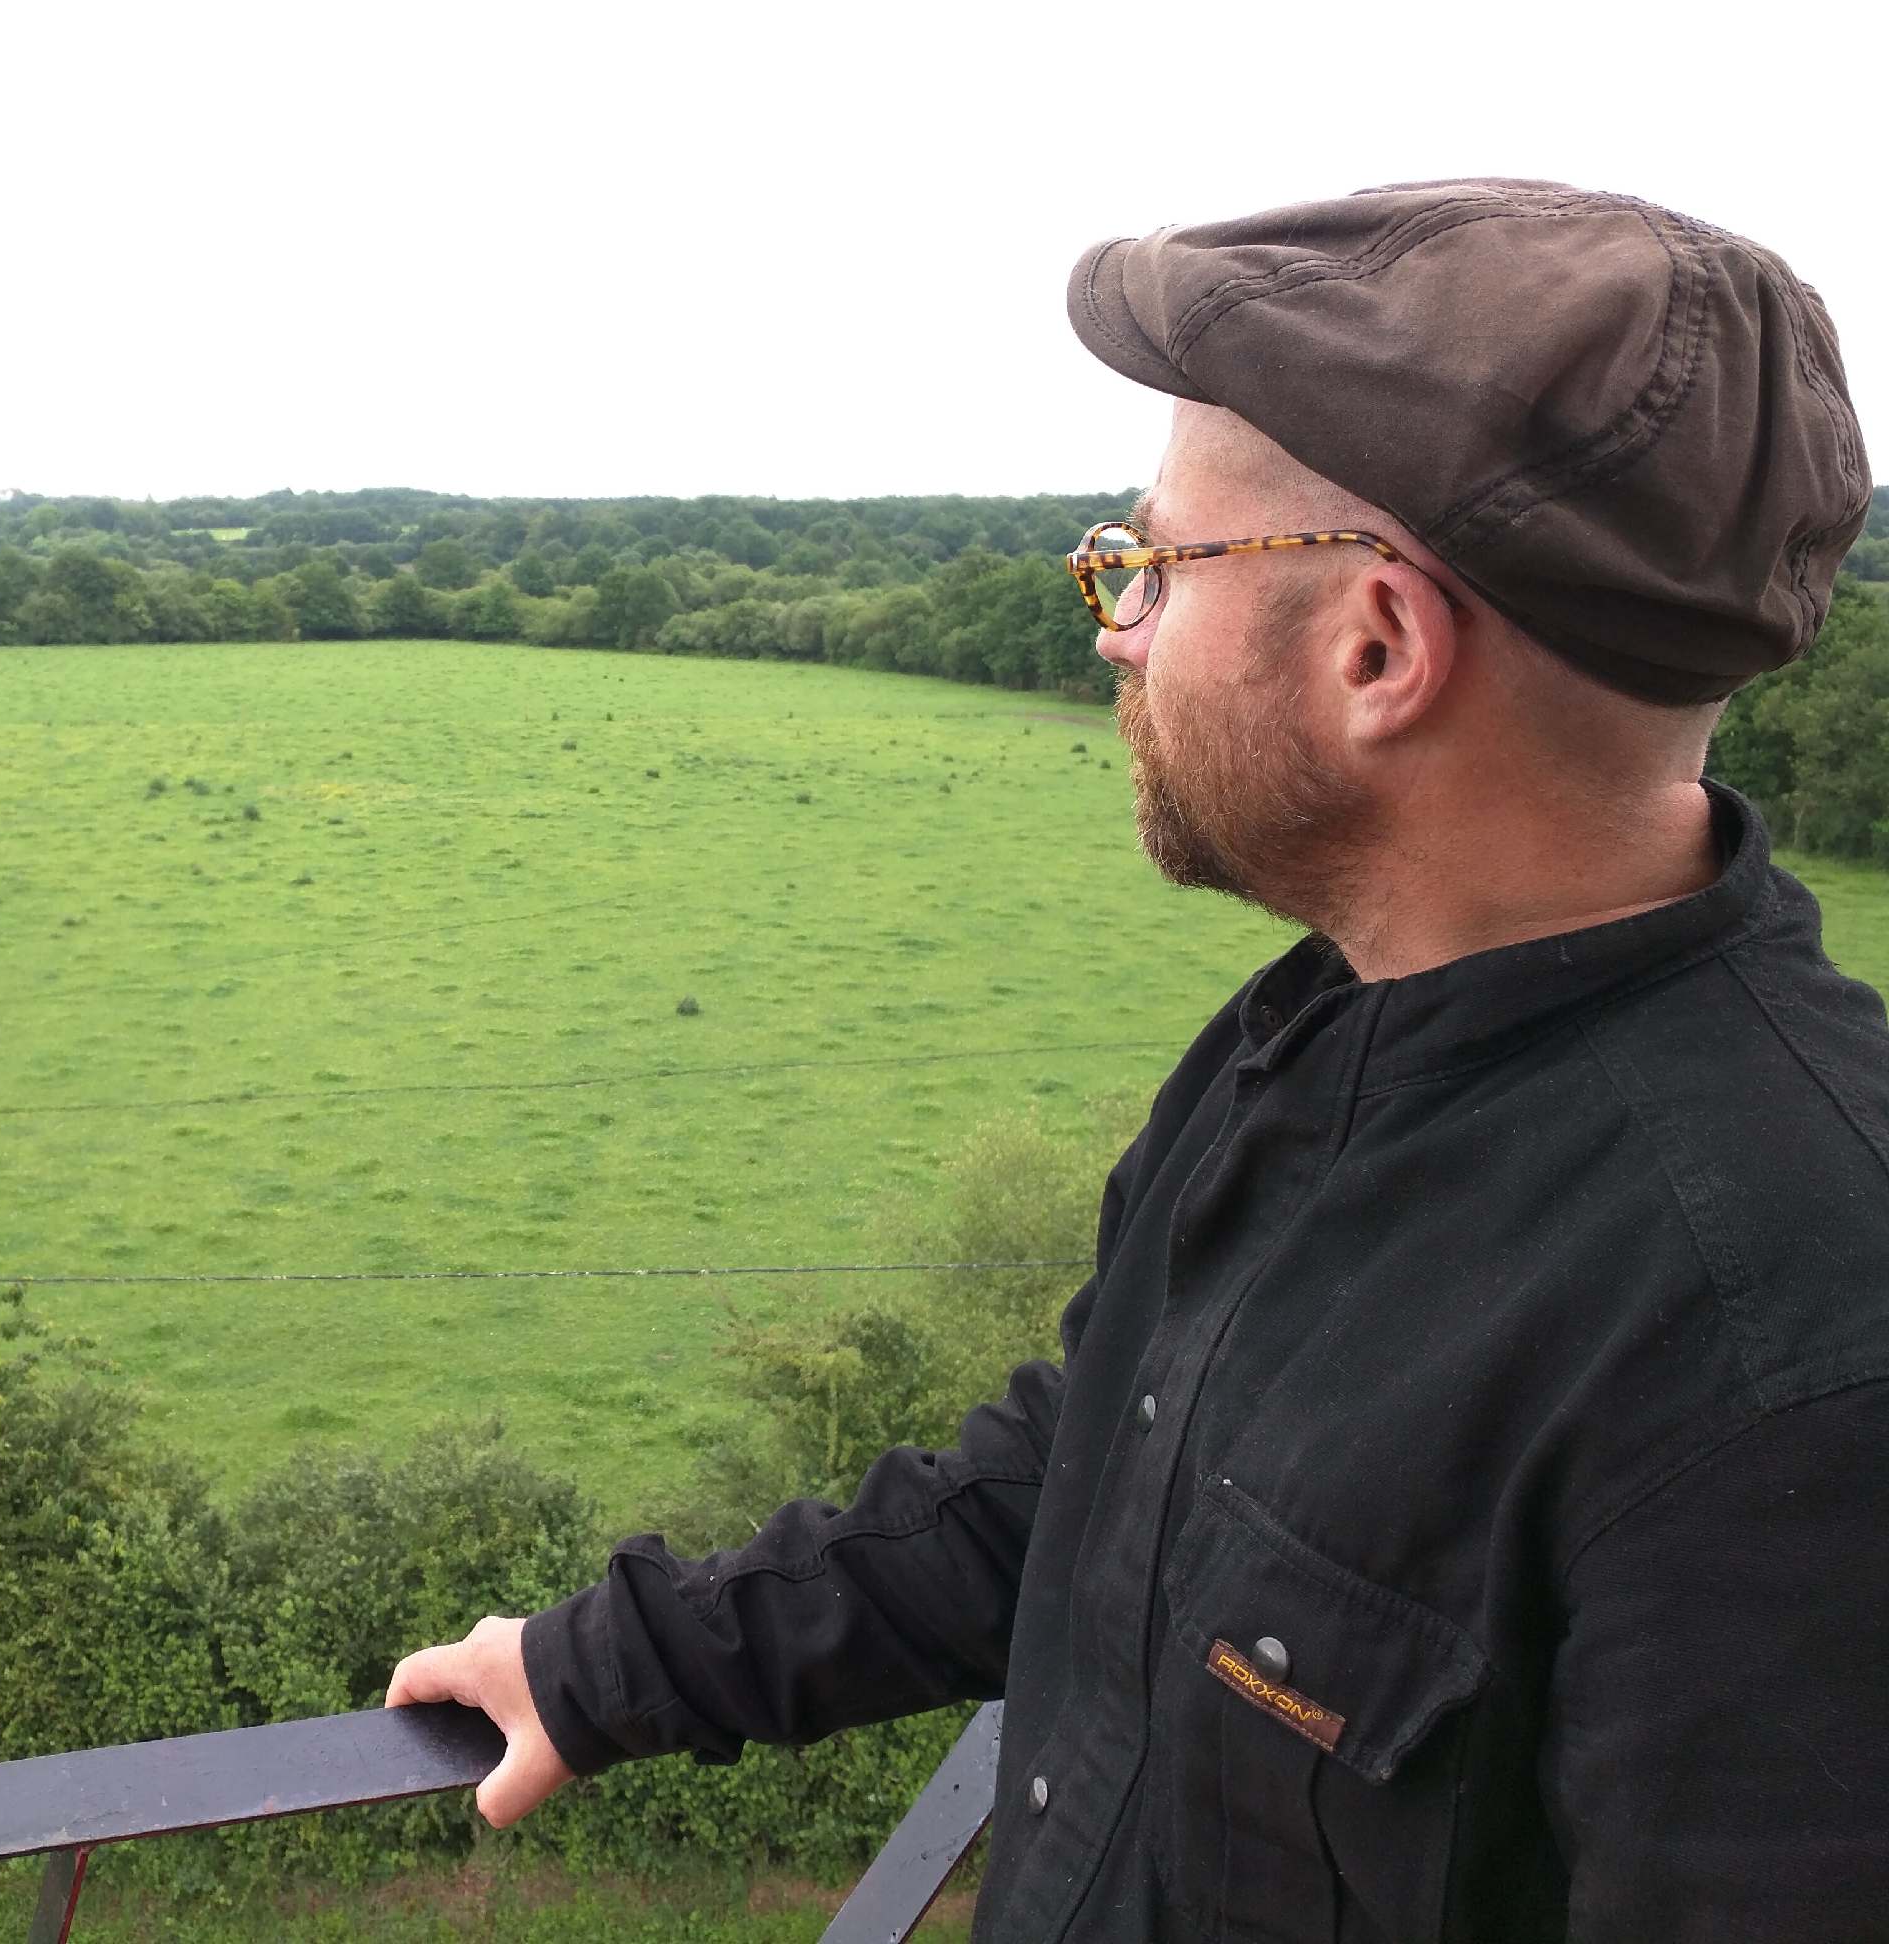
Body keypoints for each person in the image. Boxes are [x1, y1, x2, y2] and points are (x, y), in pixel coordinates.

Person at [388, 179, 1889, 1941]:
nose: (1113, 626)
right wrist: (623, 1664)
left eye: (1152, 566)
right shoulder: (1316, 1036)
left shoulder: (1800, 1355)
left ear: (1378, 649)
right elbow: (1108, 1466)